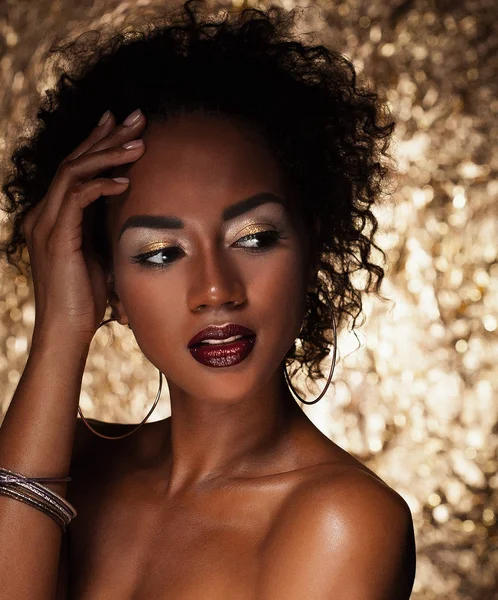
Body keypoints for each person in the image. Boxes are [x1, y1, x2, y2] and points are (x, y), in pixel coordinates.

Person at [0, 0, 416, 598]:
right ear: (106, 277)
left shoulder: (339, 522)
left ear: (311, 239)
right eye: (161, 253)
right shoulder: (70, 465)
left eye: (254, 238)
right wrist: (61, 327)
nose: (216, 289)